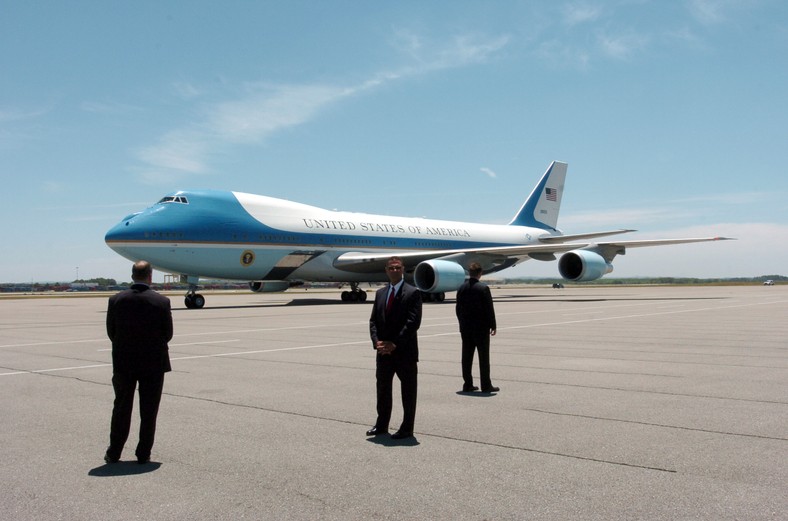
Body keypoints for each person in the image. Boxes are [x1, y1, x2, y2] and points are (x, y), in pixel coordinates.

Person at [104, 260, 173, 464]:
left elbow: (111, 332)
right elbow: (167, 334)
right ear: (150, 276)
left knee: (121, 408)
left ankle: (114, 452)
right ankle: (143, 454)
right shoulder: (162, 302)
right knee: (149, 411)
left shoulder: (115, 300)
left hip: (124, 363)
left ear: (132, 275)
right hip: (153, 364)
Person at [367, 256, 423, 439]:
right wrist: (377, 342)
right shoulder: (380, 293)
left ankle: (407, 428)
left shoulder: (413, 292)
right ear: (386, 270)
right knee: (382, 390)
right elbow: (373, 321)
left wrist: (395, 343)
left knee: (408, 392)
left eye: (397, 268)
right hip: (383, 352)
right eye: (391, 268)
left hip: (404, 352)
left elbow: (413, 323)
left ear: (403, 269)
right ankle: (382, 424)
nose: (394, 270)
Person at [455, 262, 499, 393]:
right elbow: (489, 309)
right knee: (483, 358)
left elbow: (458, 309)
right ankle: (486, 385)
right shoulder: (483, 288)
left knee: (466, 357)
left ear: (469, 273)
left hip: (466, 328)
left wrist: (462, 323)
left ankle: (467, 383)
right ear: (480, 273)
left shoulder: (461, 288)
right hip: (480, 328)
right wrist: (493, 325)